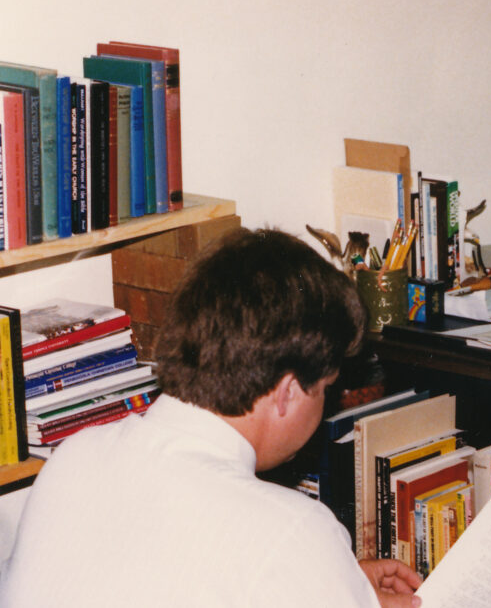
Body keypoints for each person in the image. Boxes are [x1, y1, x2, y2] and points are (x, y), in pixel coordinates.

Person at [0, 228, 422, 607]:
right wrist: (323, 576)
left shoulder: (74, 457)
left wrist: (334, 583)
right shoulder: (295, 531)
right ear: (287, 392)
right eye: (326, 388)